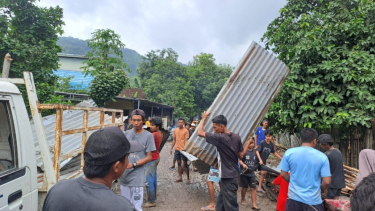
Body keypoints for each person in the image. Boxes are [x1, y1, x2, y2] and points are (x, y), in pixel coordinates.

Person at [42, 127, 144, 211]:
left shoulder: (57, 190)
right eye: (127, 157)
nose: (128, 162)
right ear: (116, 166)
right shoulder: (123, 207)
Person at [198, 111, 244, 211]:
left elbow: (200, 132)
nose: (214, 130)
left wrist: (204, 118)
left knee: (231, 207)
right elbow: (241, 155)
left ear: (222, 126)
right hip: (232, 175)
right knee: (220, 204)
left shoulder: (220, 137)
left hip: (228, 177)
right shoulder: (236, 137)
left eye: (215, 127)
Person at [279, 128, 331, 211]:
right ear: (314, 141)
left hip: (293, 200)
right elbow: (327, 181)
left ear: (300, 139)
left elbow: (283, 174)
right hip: (313, 202)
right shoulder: (322, 157)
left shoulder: (289, 153)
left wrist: (293, 181)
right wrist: (320, 188)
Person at [120, 109, 156, 211]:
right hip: (124, 176)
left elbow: (149, 157)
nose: (136, 123)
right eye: (134, 120)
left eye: (139, 120)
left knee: (136, 207)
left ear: (143, 121)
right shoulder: (126, 134)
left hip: (137, 177)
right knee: (125, 205)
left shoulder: (148, 136)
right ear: (130, 120)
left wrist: (134, 164)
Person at [318, 134, 345, 199]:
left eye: (322, 144)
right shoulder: (338, 151)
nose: (321, 146)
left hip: (331, 184)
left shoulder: (326, 155)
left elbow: (323, 171)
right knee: (335, 203)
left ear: (327, 144)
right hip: (339, 183)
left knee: (327, 203)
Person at [144, 117, 163, 208]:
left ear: (158, 126)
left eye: (152, 125)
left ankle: (151, 201)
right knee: (153, 179)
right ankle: (153, 197)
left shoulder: (152, 135)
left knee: (148, 181)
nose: (150, 126)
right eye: (150, 125)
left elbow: (146, 146)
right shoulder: (160, 134)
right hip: (156, 157)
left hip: (151, 159)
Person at [256, 129, 282, 194]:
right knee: (258, 172)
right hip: (257, 160)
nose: (268, 137)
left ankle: (259, 187)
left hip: (263, 161)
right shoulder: (262, 143)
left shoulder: (271, 145)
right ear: (265, 136)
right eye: (267, 136)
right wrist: (260, 160)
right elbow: (257, 151)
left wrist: (281, 158)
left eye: (269, 136)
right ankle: (256, 186)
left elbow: (274, 153)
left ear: (271, 137)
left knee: (263, 173)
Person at [239, 137, 260, 210]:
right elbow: (240, 160)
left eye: (252, 143)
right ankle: (242, 199)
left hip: (251, 173)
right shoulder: (244, 152)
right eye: (250, 143)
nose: (251, 145)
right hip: (244, 173)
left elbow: (258, 159)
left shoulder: (255, 151)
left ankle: (254, 204)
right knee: (244, 187)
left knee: (253, 188)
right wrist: (243, 165)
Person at [170, 118, 190, 183]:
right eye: (179, 122)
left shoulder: (186, 131)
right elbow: (174, 140)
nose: (180, 123)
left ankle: (188, 178)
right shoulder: (175, 130)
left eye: (182, 122)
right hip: (177, 149)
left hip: (183, 150)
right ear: (178, 123)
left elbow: (186, 140)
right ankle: (180, 177)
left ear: (183, 123)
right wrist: (171, 148)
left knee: (185, 164)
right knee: (178, 163)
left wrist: (187, 149)